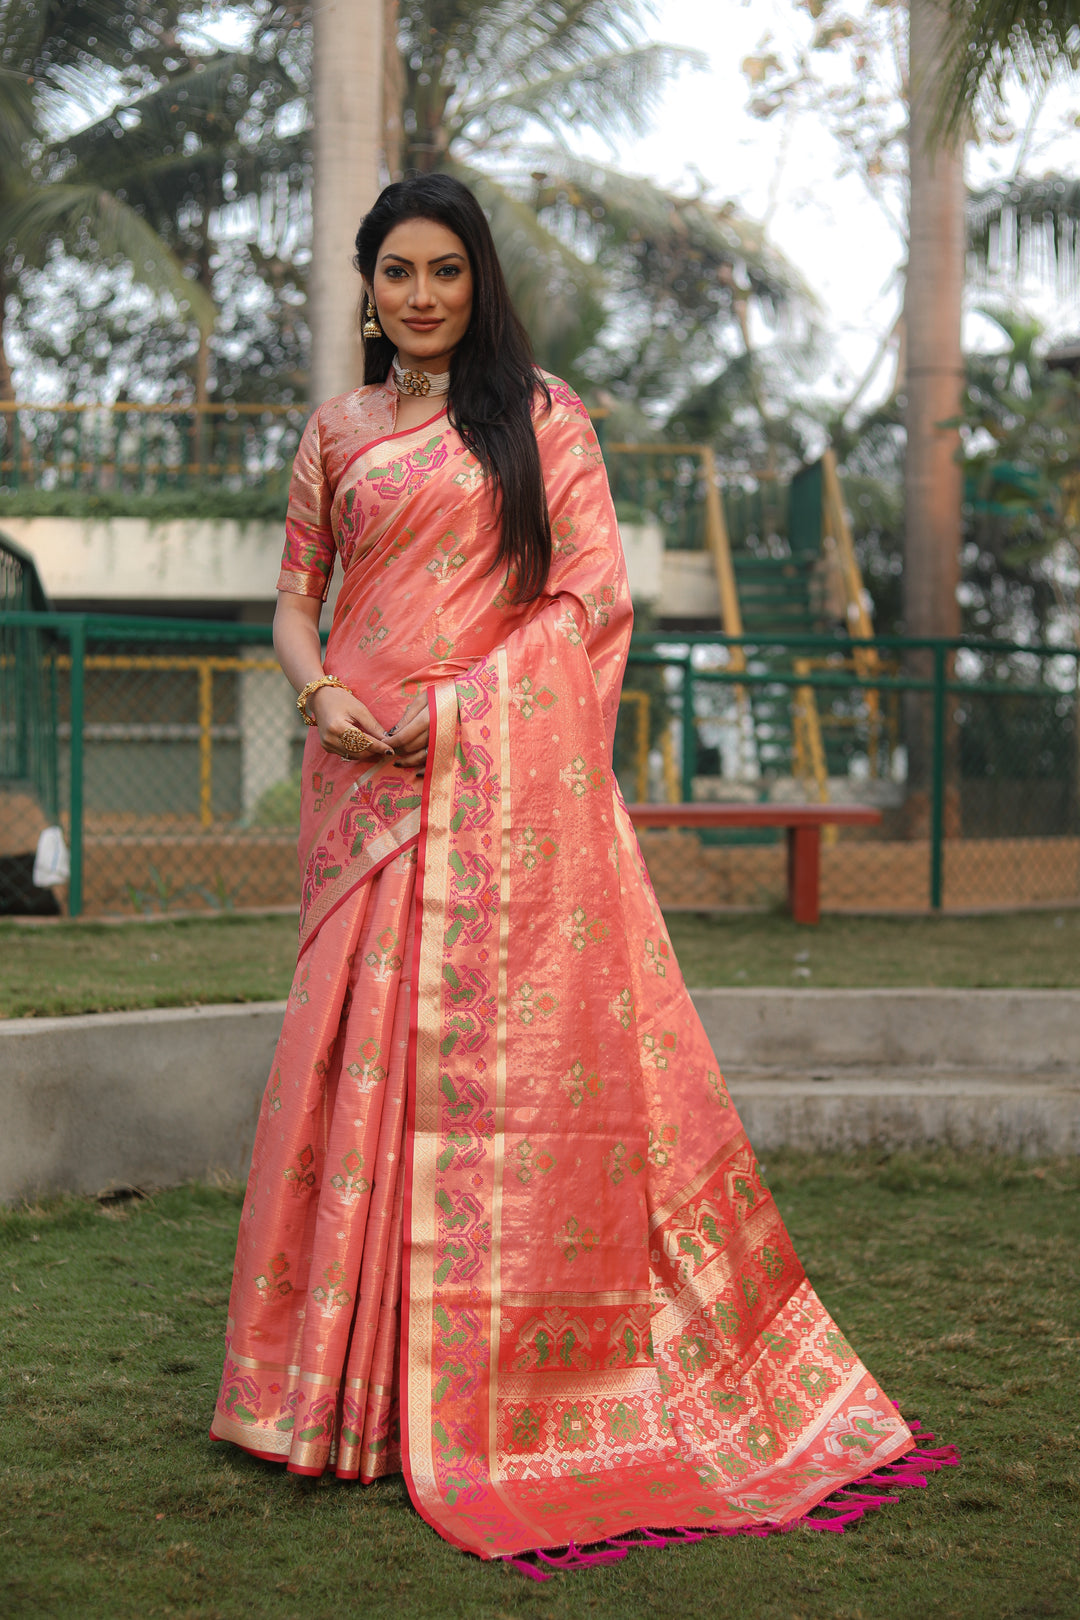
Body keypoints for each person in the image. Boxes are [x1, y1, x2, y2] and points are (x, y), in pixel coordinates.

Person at [210, 174, 951, 1570]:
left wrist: (458, 716)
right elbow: (295, 600)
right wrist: (317, 698)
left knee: (473, 1086)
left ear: (478, 281)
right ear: (365, 289)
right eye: (396, 274)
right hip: (355, 788)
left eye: (445, 271)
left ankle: (471, 1397)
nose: (420, 295)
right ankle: (329, 1402)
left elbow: (589, 603)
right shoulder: (337, 434)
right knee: (342, 1066)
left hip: (486, 788)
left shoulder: (542, 421)